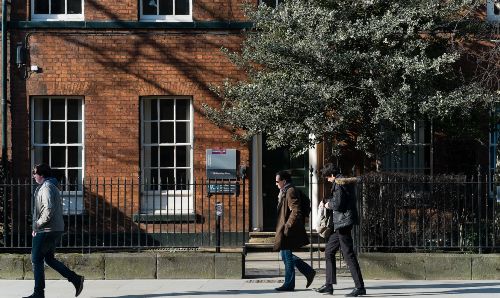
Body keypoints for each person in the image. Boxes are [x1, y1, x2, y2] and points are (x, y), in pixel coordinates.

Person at [24, 164, 84, 298]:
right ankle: (75, 279)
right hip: (53, 229)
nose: (33, 176)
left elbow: (48, 210)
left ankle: (39, 293)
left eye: (35, 173)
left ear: (42, 175)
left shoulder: (46, 187)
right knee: (49, 259)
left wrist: (37, 225)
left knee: (36, 259)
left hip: (46, 229)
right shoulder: (50, 186)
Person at [315, 163, 366, 297]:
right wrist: (327, 200)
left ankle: (359, 287)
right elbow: (340, 199)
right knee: (329, 251)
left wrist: (327, 204)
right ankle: (329, 285)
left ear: (331, 175)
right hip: (341, 223)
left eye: (327, 178)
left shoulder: (339, 183)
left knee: (348, 254)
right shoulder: (341, 182)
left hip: (343, 223)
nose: (327, 180)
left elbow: (338, 204)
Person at [273, 170, 316, 291]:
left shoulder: (290, 191)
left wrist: (288, 225)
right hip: (285, 228)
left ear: (284, 181)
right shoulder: (285, 191)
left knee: (286, 256)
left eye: (277, 181)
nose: (276, 184)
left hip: (288, 230)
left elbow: (296, 210)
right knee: (285, 255)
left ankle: (289, 284)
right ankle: (308, 272)